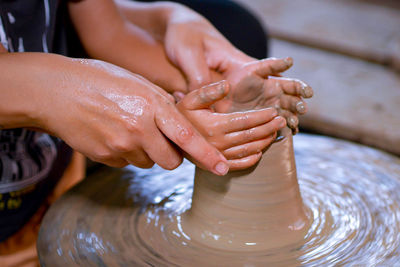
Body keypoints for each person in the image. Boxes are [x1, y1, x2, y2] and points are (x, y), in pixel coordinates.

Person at [0, 0, 312, 265]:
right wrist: (61, 94)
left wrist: (216, 90)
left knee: (239, 30)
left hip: (41, 183)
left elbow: (109, 31)